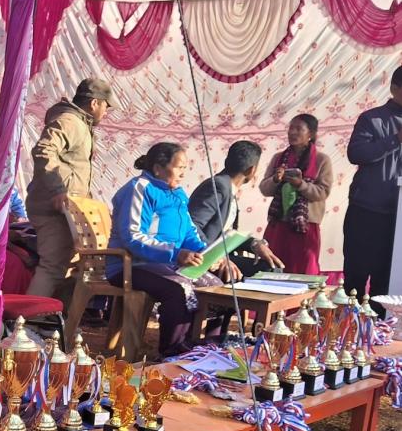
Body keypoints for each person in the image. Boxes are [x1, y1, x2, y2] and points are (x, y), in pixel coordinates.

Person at [108, 142, 219, 359]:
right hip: (131, 265)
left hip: (166, 264)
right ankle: (173, 353)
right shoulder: (139, 188)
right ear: (158, 168)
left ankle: (210, 350)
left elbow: (189, 232)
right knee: (180, 288)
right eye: (179, 168)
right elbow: (133, 236)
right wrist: (175, 254)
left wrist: (207, 253)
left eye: (185, 168)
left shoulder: (177, 194)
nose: (183, 174)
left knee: (216, 289)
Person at [25, 78, 115, 300]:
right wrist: (58, 190)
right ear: (94, 103)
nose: (106, 112)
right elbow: (44, 150)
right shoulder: (70, 122)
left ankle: (53, 316)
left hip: (64, 208)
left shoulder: (78, 124)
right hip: (54, 208)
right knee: (52, 267)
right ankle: (30, 318)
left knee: (68, 267)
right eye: (106, 106)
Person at [344, 66, 402, 308]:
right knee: (356, 274)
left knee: (387, 281)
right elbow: (356, 154)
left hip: (398, 219)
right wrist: (395, 139)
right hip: (367, 211)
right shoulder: (372, 119)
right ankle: (350, 325)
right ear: (395, 89)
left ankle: (380, 327)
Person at [188, 140, 285, 281]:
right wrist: (217, 258)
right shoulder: (218, 187)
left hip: (221, 257)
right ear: (252, 170)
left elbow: (227, 235)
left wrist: (254, 244)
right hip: (203, 259)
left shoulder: (228, 187)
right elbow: (192, 226)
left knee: (271, 267)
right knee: (269, 272)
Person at [258, 114, 333, 276]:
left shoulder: (321, 160)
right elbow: (264, 189)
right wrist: (276, 179)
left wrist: (300, 184)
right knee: (274, 268)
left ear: (310, 134)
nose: (292, 132)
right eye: (291, 128)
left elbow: (323, 192)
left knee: (304, 269)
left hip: (305, 226)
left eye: (299, 129)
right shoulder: (279, 158)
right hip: (278, 224)